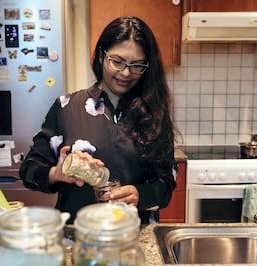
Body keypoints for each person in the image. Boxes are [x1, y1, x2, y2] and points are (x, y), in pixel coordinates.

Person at [20, 16, 177, 224]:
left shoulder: (153, 112)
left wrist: (140, 194)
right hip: (78, 237)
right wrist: (55, 174)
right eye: (117, 62)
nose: (126, 73)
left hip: (135, 237)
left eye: (137, 65)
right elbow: (29, 169)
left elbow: (166, 183)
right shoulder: (67, 107)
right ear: (102, 56)